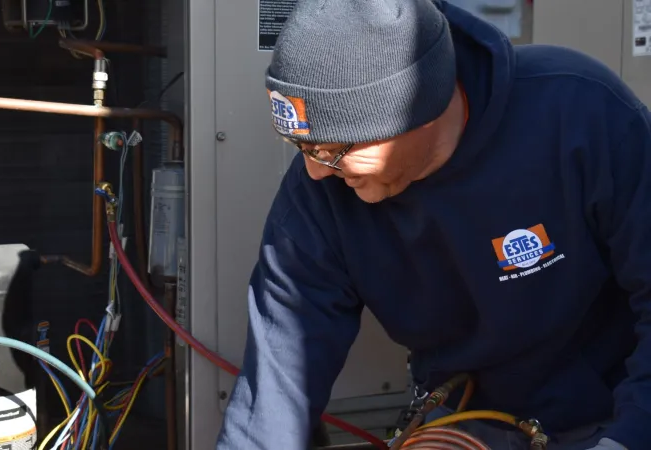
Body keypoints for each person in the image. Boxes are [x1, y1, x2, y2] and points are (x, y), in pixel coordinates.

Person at [215, 0, 651, 449]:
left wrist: (629, 437)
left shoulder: (580, 115)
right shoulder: (321, 192)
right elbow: (277, 377)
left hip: (616, 414)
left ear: (416, 110)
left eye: (331, 150)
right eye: (302, 148)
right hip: (464, 420)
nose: (316, 172)